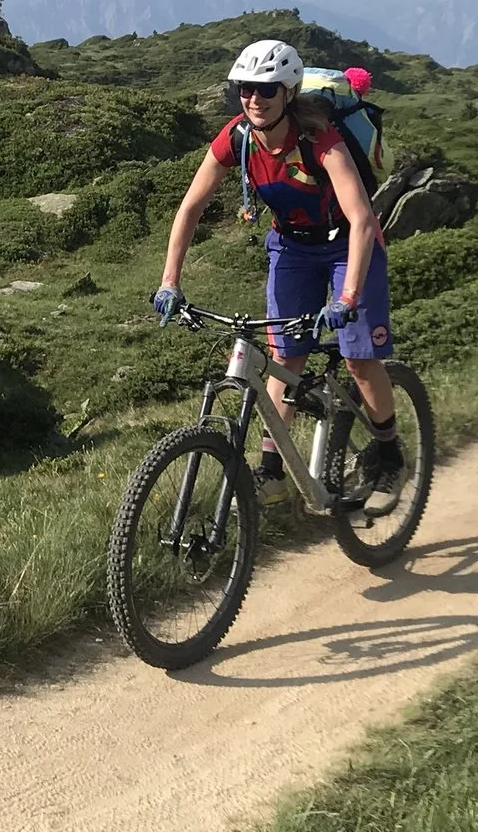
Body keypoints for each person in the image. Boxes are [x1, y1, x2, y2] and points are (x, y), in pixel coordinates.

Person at [155, 38, 402, 507]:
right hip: (291, 246)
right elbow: (190, 209)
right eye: (246, 89)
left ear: (288, 92)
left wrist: (347, 297)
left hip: (348, 245)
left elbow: (362, 219)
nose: (255, 99)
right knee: (285, 358)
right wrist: (170, 282)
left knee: (358, 357)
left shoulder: (319, 139)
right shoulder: (238, 137)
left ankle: (389, 453)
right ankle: (271, 473)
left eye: (267, 89)